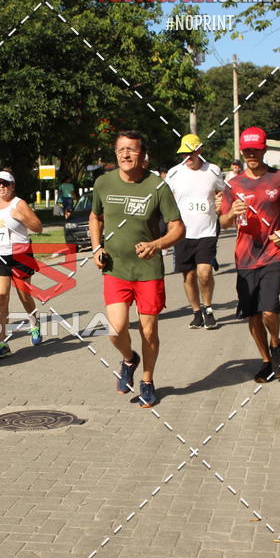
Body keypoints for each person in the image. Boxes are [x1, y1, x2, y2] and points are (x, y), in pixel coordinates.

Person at [89, 130, 185, 408]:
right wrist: (97, 247)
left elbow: (178, 228)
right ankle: (130, 359)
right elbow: (95, 218)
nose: (126, 155)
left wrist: (157, 244)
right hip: (115, 269)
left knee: (149, 331)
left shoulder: (157, 186)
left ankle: (147, 380)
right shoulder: (103, 183)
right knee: (116, 330)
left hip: (148, 271)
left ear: (143, 155)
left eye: (132, 150)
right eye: (121, 150)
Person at [220, 127, 280, 383]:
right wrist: (231, 212)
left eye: (255, 150)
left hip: (273, 254)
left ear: (264, 149)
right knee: (252, 314)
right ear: (242, 152)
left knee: (268, 310)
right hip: (244, 258)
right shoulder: (232, 185)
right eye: (247, 151)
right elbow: (222, 222)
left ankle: (276, 345)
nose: (251, 154)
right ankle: (266, 360)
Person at [0, 169, 43, 358]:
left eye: (5, 184)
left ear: (12, 186)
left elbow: (38, 227)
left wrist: (22, 217)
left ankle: (34, 323)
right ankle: (2, 341)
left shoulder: (19, 204)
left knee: (24, 297)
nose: (1, 187)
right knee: (1, 298)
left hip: (20, 255)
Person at [166, 134, 225, 330]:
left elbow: (223, 193)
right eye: (183, 154)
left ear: (200, 151)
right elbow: (167, 201)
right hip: (183, 233)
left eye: (190, 153)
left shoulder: (213, 170)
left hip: (207, 230)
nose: (187, 157)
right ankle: (196, 312)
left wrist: (220, 203)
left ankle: (208, 309)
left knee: (205, 273)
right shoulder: (174, 173)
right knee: (189, 276)